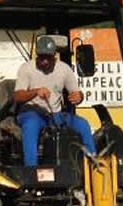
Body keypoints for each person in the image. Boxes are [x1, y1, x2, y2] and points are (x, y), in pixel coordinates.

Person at [13, 35, 96, 167]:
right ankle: (32, 169)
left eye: (48, 57)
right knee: (30, 126)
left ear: (54, 57)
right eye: (41, 57)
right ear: (37, 56)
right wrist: (35, 91)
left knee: (83, 124)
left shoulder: (64, 69)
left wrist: (79, 97)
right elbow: (17, 96)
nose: (45, 61)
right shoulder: (26, 68)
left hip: (55, 114)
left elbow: (77, 92)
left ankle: (92, 163)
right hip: (31, 112)